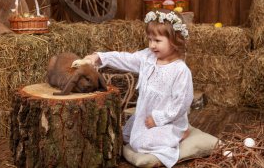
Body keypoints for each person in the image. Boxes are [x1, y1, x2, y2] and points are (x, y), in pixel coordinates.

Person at [72, 9, 194, 168]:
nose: (151, 45)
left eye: (157, 40)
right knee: (125, 134)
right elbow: (125, 58)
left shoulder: (180, 70)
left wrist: (158, 119)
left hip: (167, 120)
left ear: (174, 40)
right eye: (149, 40)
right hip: (145, 116)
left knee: (140, 143)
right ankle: (149, 133)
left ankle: (180, 134)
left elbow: (181, 103)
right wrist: (100, 57)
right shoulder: (148, 58)